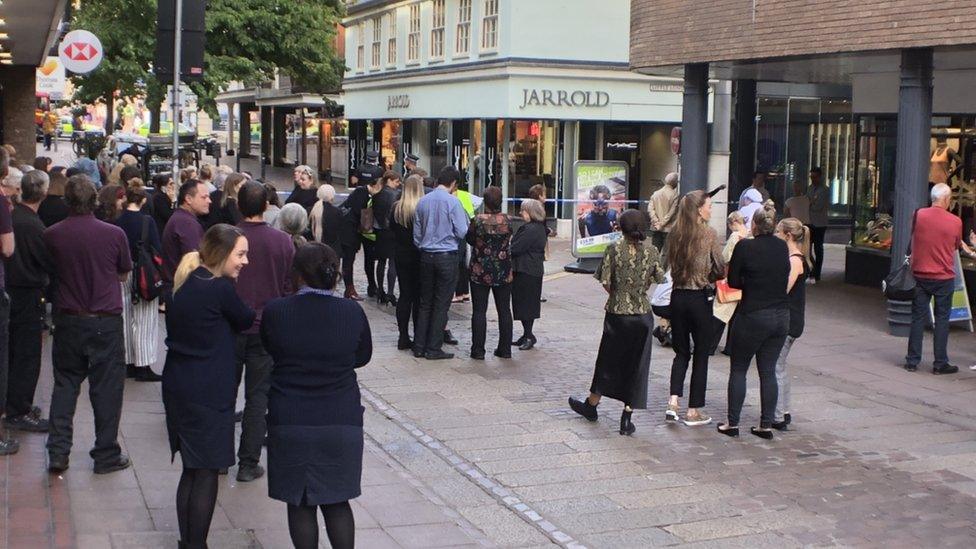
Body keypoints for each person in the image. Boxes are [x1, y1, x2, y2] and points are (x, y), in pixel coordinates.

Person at [261, 243, 372, 549]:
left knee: (299, 503)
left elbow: (270, 347)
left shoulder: (276, 311)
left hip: (291, 418)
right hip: (340, 418)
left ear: (296, 275)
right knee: (337, 501)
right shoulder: (351, 312)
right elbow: (362, 356)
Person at [162, 224, 255, 548]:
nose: (244, 261)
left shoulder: (186, 282)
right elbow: (244, 318)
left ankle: (188, 541)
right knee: (206, 472)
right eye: (240, 254)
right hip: (208, 389)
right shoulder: (219, 288)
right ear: (221, 253)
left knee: (192, 469)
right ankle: (196, 544)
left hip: (179, 384)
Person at [44, 175, 133, 473]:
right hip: (104, 319)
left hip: (69, 317)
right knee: (106, 389)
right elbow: (123, 272)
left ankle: (58, 452)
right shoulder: (113, 234)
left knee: (65, 384)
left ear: (67, 201)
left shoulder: (54, 234)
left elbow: (51, 272)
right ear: (94, 200)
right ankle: (105, 453)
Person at [569, 210, 664, 435]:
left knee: (607, 360)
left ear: (620, 228)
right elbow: (658, 278)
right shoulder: (652, 251)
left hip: (617, 313)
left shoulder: (614, 249)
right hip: (642, 314)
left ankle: (591, 404)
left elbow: (605, 280)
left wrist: (618, 293)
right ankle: (626, 417)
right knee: (637, 364)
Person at [233, 182, 295, 482]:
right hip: (266, 327)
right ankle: (248, 462)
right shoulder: (282, 241)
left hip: (230, 325)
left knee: (223, 392)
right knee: (258, 397)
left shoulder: (226, 237)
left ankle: (219, 457)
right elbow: (287, 285)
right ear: (266, 206)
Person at [719, 203, 790, 440]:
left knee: (739, 368)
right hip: (780, 315)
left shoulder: (745, 247)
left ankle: (733, 422)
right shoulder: (782, 247)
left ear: (754, 225)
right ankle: (766, 424)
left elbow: (735, 282)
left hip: (753, 314)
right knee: (768, 370)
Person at [4, 171, 56, 434]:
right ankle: (19, 409)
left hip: (14, 291)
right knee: (26, 354)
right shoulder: (34, 226)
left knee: (14, 352)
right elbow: (48, 261)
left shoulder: (17, 218)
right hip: (26, 294)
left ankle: (15, 403)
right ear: (43, 193)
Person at [665, 190, 723, 427]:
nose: (711, 209)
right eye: (709, 205)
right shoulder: (709, 234)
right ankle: (693, 410)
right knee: (701, 354)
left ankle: (673, 402)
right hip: (699, 299)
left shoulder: (675, 234)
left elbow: (662, 264)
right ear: (699, 210)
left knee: (680, 353)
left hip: (677, 298)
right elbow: (719, 268)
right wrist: (706, 276)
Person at [906, 183, 976, 374]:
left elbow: (914, 237)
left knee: (918, 318)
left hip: (920, 274)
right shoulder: (955, 221)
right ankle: (940, 363)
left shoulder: (918, 215)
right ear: (946, 199)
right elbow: (955, 246)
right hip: (944, 276)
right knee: (942, 319)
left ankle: (912, 361)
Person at [412, 166, 469, 360]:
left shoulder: (422, 201)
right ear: (453, 183)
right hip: (446, 256)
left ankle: (419, 346)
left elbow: (417, 235)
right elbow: (462, 232)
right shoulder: (454, 203)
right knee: (441, 303)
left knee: (425, 302)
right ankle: (434, 348)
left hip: (426, 255)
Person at [114, 186, 164, 382]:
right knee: (145, 319)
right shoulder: (147, 221)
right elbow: (156, 248)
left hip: (123, 272)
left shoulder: (119, 220)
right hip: (144, 272)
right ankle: (143, 365)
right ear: (143, 200)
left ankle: (128, 363)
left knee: (126, 315)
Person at [772, 217, 811, 430]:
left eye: (778, 232)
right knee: (781, 366)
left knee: (776, 366)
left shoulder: (794, 260)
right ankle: (783, 411)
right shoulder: (794, 257)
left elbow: (783, 290)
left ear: (787, 235)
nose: (776, 235)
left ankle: (777, 415)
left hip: (789, 321)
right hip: (792, 320)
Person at [466, 186, 513, 360]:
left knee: (479, 311)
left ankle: (478, 350)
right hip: (503, 269)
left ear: (485, 201)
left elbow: (469, 239)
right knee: (504, 310)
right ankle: (505, 349)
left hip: (480, 269)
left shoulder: (477, 220)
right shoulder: (508, 220)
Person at [391, 175, 424, 350]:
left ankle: (403, 336)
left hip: (401, 255)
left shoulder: (397, 208)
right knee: (418, 297)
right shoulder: (422, 208)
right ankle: (418, 334)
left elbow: (391, 230)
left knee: (405, 295)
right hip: (418, 256)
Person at [511, 198, 548, 351]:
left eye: (523, 211)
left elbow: (516, 248)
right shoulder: (539, 228)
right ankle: (527, 334)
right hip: (532, 269)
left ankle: (528, 335)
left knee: (525, 304)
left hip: (526, 269)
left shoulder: (530, 230)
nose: (521, 213)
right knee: (526, 304)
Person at [162, 180, 211, 287]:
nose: (209, 201)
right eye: (204, 197)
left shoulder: (182, 219)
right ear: (188, 199)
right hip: (183, 287)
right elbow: (194, 262)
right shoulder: (186, 223)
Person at [362, 171, 397, 304]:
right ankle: (390, 292)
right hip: (392, 233)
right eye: (396, 182)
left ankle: (380, 291)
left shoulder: (376, 196)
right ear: (390, 180)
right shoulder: (396, 195)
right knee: (392, 262)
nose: (397, 185)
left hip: (380, 232)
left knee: (381, 262)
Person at [806, 167, 829, 284]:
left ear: (820, 177)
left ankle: (817, 273)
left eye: (814, 177)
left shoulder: (824, 190)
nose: (812, 179)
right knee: (807, 249)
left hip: (820, 223)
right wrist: (811, 202)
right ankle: (812, 270)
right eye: (811, 177)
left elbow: (817, 207)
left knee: (818, 249)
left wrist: (810, 203)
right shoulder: (809, 189)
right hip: (809, 222)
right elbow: (807, 203)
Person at [649, 172, 680, 254]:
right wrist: (662, 224)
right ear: (675, 182)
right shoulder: (675, 195)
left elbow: (650, 209)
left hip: (656, 228)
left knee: (654, 252)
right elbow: (671, 213)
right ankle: (662, 267)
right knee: (667, 255)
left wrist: (656, 222)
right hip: (668, 229)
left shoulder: (655, 194)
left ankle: (654, 266)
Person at [310, 184, 343, 250]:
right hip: (332, 249)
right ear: (332, 196)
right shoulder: (337, 212)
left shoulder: (310, 211)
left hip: (313, 249)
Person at [151, 173, 177, 238]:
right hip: (162, 230)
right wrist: (172, 202)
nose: (173, 186)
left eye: (173, 183)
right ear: (163, 186)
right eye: (170, 184)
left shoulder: (166, 196)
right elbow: (168, 215)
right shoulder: (158, 198)